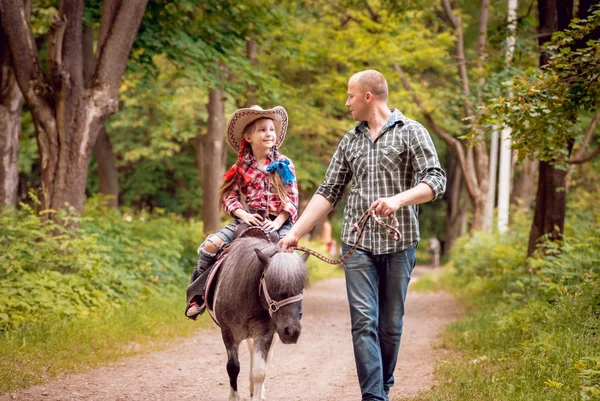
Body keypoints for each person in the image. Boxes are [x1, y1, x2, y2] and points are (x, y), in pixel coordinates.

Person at [279, 70, 446, 401]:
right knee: (364, 322)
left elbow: (436, 180)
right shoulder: (349, 140)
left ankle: (381, 387)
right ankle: (374, 397)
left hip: (401, 242)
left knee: (391, 325)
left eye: (350, 95)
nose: (346, 103)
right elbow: (329, 192)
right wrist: (295, 233)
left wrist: (398, 200)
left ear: (368, 96)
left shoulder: (412, 132)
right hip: (358, 246)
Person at [185, 105, 299, 319]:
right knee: (210, 246)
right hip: (249, 219)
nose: (269, 134)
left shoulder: (284, 163)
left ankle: (293, 309)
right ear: (248, 136)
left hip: (279, 221)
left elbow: (292, 200)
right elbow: (229, 197)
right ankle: (198, 296)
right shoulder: (241, 167)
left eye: (271, 129)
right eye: (262, 130)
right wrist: (243, 214)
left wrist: (278, 222)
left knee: (288, 256)